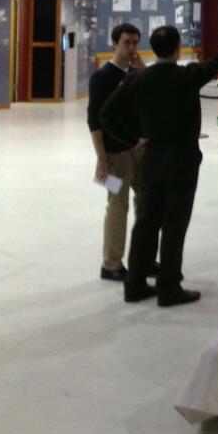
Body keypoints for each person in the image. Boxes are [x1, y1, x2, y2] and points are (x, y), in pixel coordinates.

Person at [101, 19, 218, 306]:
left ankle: (135, 284)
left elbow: (106, 115)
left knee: (145, 222)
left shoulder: (137, 79)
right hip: (182, 159)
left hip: (151, 158)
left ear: (152, 49)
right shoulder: (187, 76)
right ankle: (168, 286)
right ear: (178, 49)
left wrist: (134, 139)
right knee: (174, 224)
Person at [87, 23, 145, 282]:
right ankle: (111, 263)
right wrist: (101, 158)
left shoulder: (135, 73)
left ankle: (142, 256)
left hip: (138, 150)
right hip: (115, 153)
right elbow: (95, 121)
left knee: (146, 202)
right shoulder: (102, 78)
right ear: (115, 43)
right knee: (117, 206)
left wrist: (143, 71)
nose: (131, 48)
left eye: (135, 43)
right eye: (126, 43)